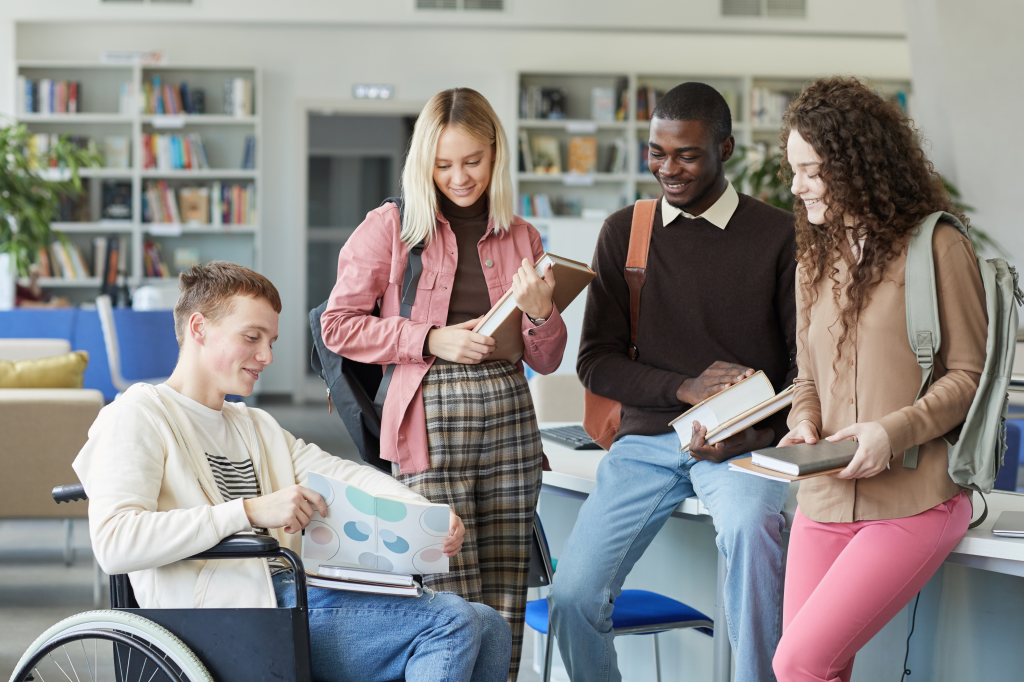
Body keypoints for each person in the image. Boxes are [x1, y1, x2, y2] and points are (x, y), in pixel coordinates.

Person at [73, 261, 512, 682]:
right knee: (450, 621)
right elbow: (115, 542)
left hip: (285, 600)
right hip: (221, 617)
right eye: (252, 337)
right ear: (199, 328)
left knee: (490, 625)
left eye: (272, 341)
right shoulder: (138, 415)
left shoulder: (252, 425)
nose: (266, 355)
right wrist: (248, 512)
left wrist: (425, 512)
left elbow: (341, 474)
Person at [550, 82, 798, 682]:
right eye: (657, 153)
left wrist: (753, 435)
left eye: (685, 154)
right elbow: (596, 362)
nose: (668, 168)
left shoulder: (780, 235)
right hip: (645, 446)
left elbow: (802, 370)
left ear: (725, 148)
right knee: (572, 597)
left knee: (753, 530)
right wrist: (685, 387)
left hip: (742, 452)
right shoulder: (624, 233)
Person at [320, 87, 568, 680]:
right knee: (447, 587)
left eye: (473, 162)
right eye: (443, 164)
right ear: (422, 163)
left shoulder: (523, 236)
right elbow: (337, 325)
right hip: (429, 419)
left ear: (495, 154)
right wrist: (431, 339)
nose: (459, 177)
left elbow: (548, 358)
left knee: (508, 586)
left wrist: (540, 313)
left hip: (510, 415)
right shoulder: (391, 227)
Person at [771, 77, 985, 682]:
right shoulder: (813, 256)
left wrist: (892, 433)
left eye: (810, 170)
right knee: (817, 671)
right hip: (824, 499)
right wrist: (805, 421)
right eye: (794, 169)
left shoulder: (938, 246)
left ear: (855, 164)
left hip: (915, 502)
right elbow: (806, 375)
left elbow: (969, 376)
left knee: (798, 663)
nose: (796, 186)